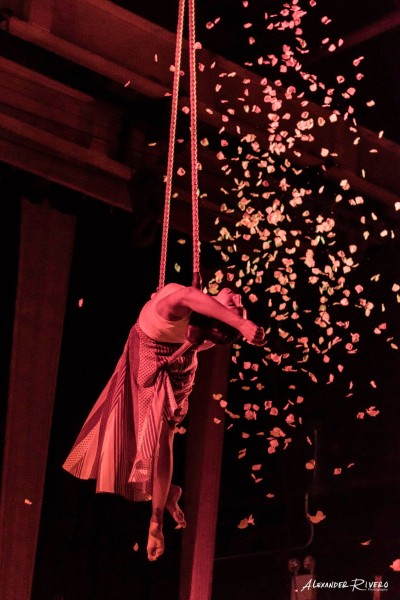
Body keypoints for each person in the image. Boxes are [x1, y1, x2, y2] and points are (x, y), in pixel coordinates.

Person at [63, 283, 264, 561]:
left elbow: (187, 298)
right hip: (159, 364)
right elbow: (197, 312)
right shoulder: (192, 319)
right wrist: (236, 320)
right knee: (138, 432)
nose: (239, 298)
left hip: (163, 371)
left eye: (234, 307)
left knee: (155, 441)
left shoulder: (175, 310)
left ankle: (156, 518)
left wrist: (240, 323)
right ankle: (165, 493)